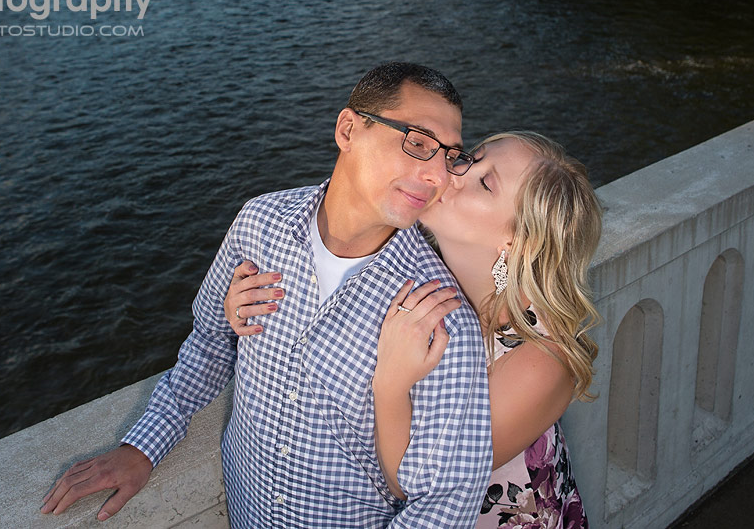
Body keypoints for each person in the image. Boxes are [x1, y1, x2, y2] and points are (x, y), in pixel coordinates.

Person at [41, 62, 494, 527]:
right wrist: (143, 446)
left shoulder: (438, 314)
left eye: (449, 155)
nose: (438, 175)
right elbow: (211, 341)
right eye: (417, 143)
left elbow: (445, 502)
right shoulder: (260, 225)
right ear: (348, 130)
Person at [227, 131, 601, 527]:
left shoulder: (540, 362)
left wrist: (391, 385)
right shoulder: (417, 270)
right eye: (472, 158)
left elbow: (411, 485)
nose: (452, 171)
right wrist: (248, 304)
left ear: (516, 243)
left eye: (485, 182)